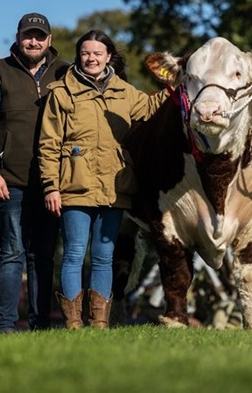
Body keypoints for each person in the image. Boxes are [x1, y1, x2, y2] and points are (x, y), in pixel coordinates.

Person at [38, 30, 172, 329]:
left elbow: (150, 109)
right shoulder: (62, 93)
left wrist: (175, 86)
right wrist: (51, 186)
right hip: (74, 186)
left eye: (98, 53)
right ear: (79, 56)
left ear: (108, 56)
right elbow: (48, 144)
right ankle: (73, 323)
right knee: (74, 253)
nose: (91, 58)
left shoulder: (124, 91)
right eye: (86, 53)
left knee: (103, 255)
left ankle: (99, 322)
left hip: (114, 187)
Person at [0, 12, 69, 333]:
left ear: (49, 40)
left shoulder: (66, 73)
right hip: (8, 181)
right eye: (28, 35)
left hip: (51, 182)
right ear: (18, 37)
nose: (33, 41)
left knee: (43, 257)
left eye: (40, 36)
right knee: (12, 254)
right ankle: (7, 327)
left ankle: (40, 326)